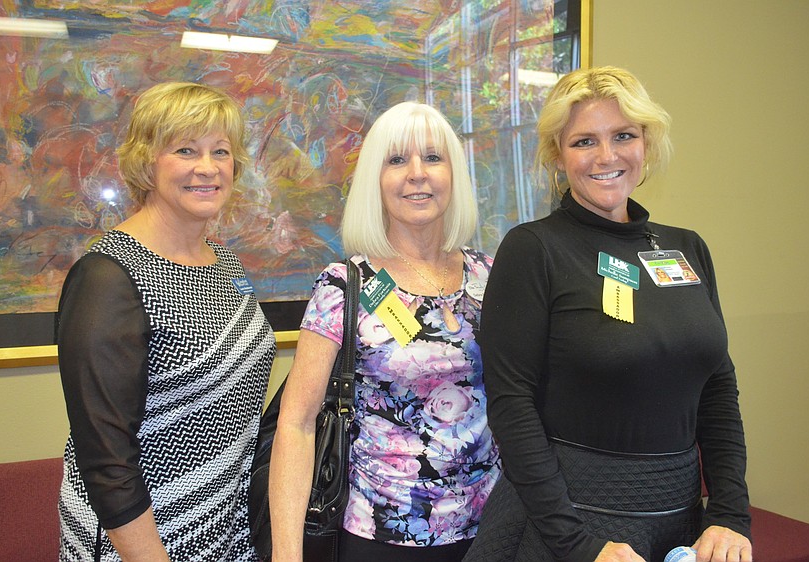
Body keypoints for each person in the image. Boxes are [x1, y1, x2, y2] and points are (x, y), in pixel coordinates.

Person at [469, 67, 752, 562]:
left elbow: (718, 389)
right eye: (584, 141)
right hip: (569, 525)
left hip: (679, 522)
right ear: (558, 155)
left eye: (623, 135)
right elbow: (512, 407)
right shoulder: (534, 250)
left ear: (647, 142)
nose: (607, 156)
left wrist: (729, 514)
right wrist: (577, 545)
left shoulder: (687, 248)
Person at [269, 101, 501, 562]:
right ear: (376, 179)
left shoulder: (491, 276)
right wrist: (287, 555)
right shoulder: (345, 284)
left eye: (432, 158)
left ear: (453, 175)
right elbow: (296, 423)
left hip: (493, 533)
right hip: (381, 535)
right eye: (397, 160)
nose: (417, 174)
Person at [57, 82, 276, 561]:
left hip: (227, 531)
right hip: (141, 542)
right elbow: (107, 462)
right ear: (145, 162)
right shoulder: (108, 277)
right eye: (185, 150)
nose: (208, 167)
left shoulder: (226, 263)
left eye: (221, 151)